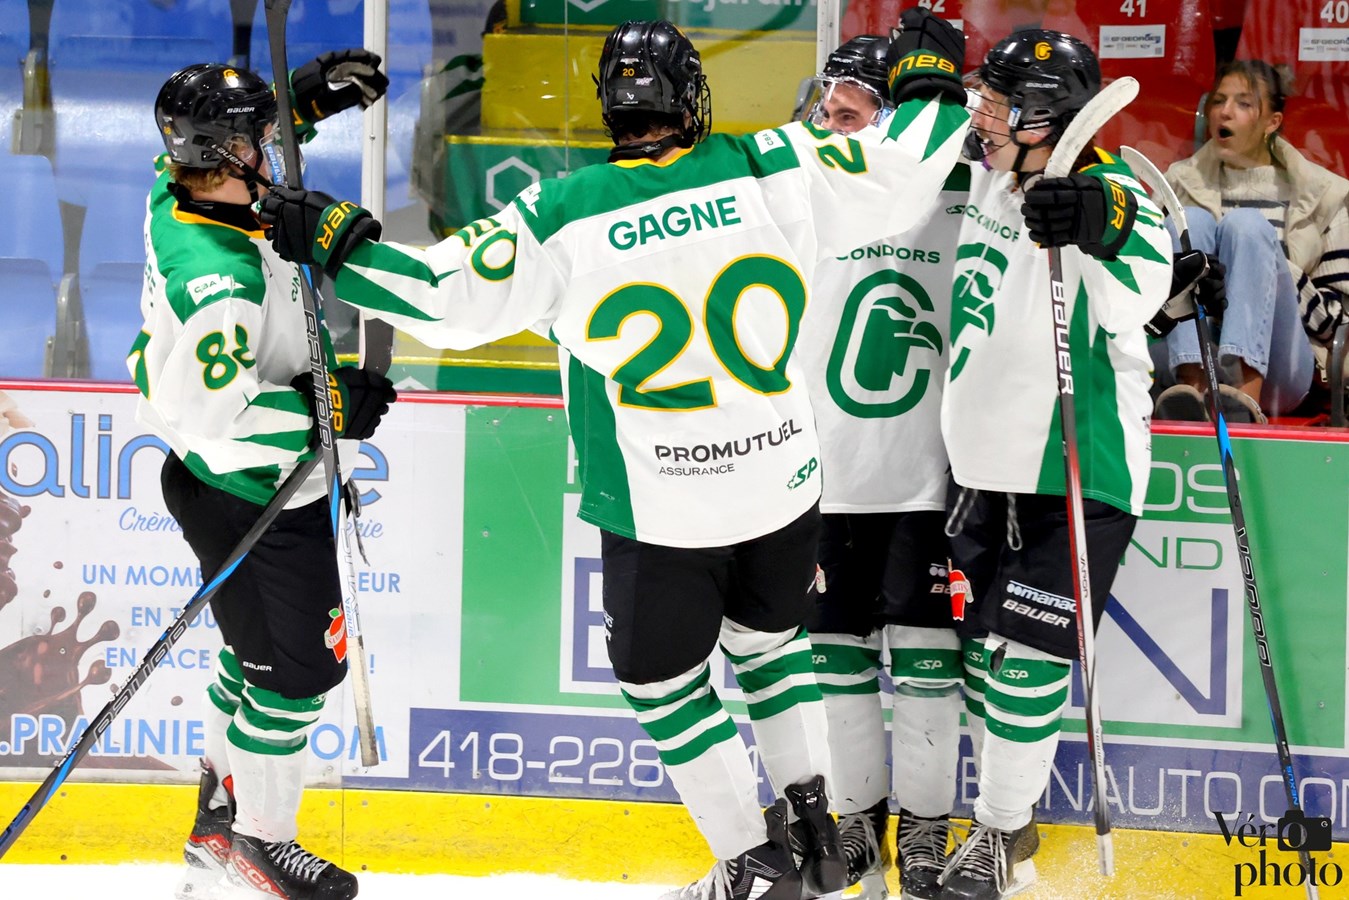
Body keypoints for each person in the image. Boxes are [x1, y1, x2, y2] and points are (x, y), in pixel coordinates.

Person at [258, 12, 971, 900]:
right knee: (771, 646)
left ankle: (752, 865)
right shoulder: (775, 163)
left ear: (610, 108)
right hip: (784, 483)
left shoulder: (563, 212)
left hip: (663, 501)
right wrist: (933, 66)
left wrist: (331, 239)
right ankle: (814, 823)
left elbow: (442, 299)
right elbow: (911, 157)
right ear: (693, 98)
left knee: (666, 689)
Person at [134, 56, 394, 900]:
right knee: (301, 675)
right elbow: (218, 413)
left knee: (255, 665)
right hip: (256, 494)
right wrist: (327, 406)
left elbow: (229, 155)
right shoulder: (223, 283)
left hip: (216, 484)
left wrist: (300, 105)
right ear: (225, 153)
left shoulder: (176, 185)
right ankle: (262, 843)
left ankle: (219, 811)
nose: (271, 157)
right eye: (258, 144)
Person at [937, 30, 1173, 900]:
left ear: (1045, 116)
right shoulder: (987, 177)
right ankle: (1011, 815)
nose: (982, 116)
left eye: (1000, 104)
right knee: (983, 665)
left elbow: (1143, 270)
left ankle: (999, 836)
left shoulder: (1105, 190)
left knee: (1028, 659)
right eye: (982, 98)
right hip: (977, 467)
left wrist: (1095, 222)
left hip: (1076, 466)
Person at [792, 32, 969, 900]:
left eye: (851, 110)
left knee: (930, 667)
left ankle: (928, 830)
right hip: (825, 477)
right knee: (836, 665)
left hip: (927, 477)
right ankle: (857, 821)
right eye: (825, 108)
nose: (831, 123)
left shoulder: (953, 179)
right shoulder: (803, 191)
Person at [1154, 60, 1348, 423]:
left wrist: (1269, 268)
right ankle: (1191, 388)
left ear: (1271, 123)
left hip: (1283, 370)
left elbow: (1341, 325)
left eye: (1243, 104)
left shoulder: (1325, 195)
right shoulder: (1175, 184)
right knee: (1189, 220)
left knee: (1245, 227)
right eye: (1218, 101)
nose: (1224, 112)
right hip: (1179, 357)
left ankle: (1244, 399)